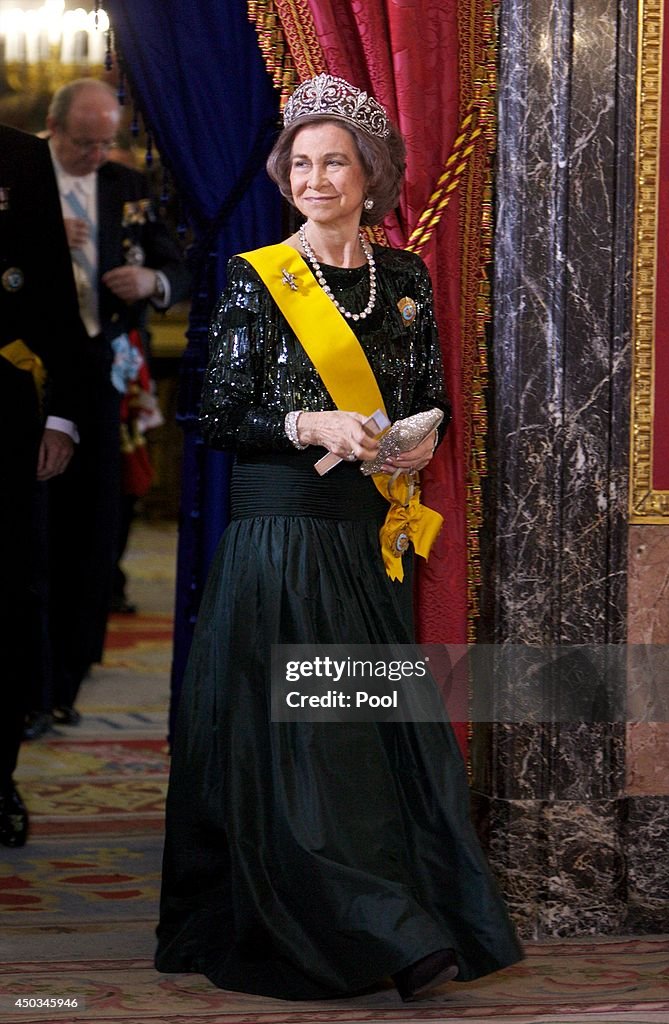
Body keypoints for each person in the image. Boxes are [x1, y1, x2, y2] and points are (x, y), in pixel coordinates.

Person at [155, 74, 522, 1000]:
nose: (317, 179)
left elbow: (426, 388)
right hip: (279, 536)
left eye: (336, 163)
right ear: (286, 177)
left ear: (370, 176)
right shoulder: (255, 277)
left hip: (367, 538)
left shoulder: (403, 279)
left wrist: (415, 436)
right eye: (302, 164)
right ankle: (380, 931)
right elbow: (217, 412)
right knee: (307, 739)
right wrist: (311, 423)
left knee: (368, 731)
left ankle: (403, 908)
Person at [41, 78, 190, 725]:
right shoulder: (19, 177)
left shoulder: (126, 188)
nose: (96, 154)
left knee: (94, 531)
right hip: (28, 372)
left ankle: (67, 681)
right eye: (83, 143)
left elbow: (178, 265)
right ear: (53, 129)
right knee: (33, 535)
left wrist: (151, 280)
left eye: (106, 142)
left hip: (102, 378)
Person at [0, 123, 86, 846]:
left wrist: (62, 413)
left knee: (7, 598)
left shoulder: (19, 155)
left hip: (1, 406)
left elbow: (53, 292)